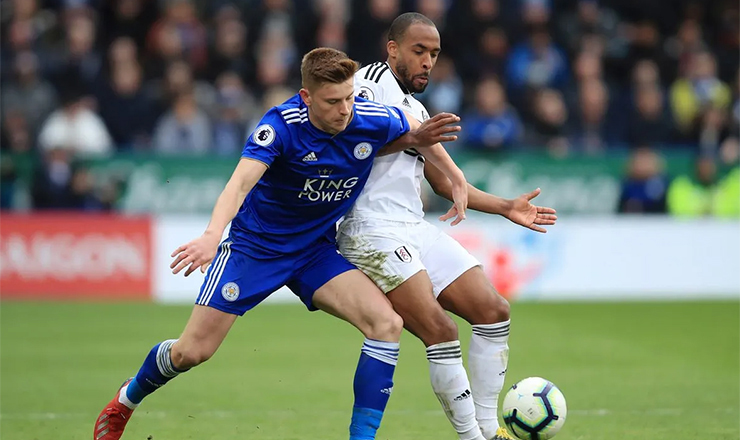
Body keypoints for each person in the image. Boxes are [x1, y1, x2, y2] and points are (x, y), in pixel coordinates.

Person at [93, 47, 469, 440]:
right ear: (306, 98)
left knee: (386, 324)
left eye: (349, 98)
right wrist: (211, 235)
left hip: (314, 252)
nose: (345, 110)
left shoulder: (366, 115)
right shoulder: (280, 126)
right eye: (333, 101)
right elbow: (239, 184)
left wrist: (455, 175)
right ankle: (126, 400)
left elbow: (416, 132)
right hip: (255, 250)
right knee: (192, 352)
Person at [338, 13, 558, 440]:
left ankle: (490, 427)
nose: (427, 62)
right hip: (368, 228)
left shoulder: (415, 107)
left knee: (493, 311)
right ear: (393, 48)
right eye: (419, 51)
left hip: (410, 226)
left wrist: (504, 206)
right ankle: (472, 437)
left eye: (434, 54)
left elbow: (444, 180)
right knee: (441, 331)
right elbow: (348, 142)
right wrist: (416, 138)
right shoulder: (364, 85)